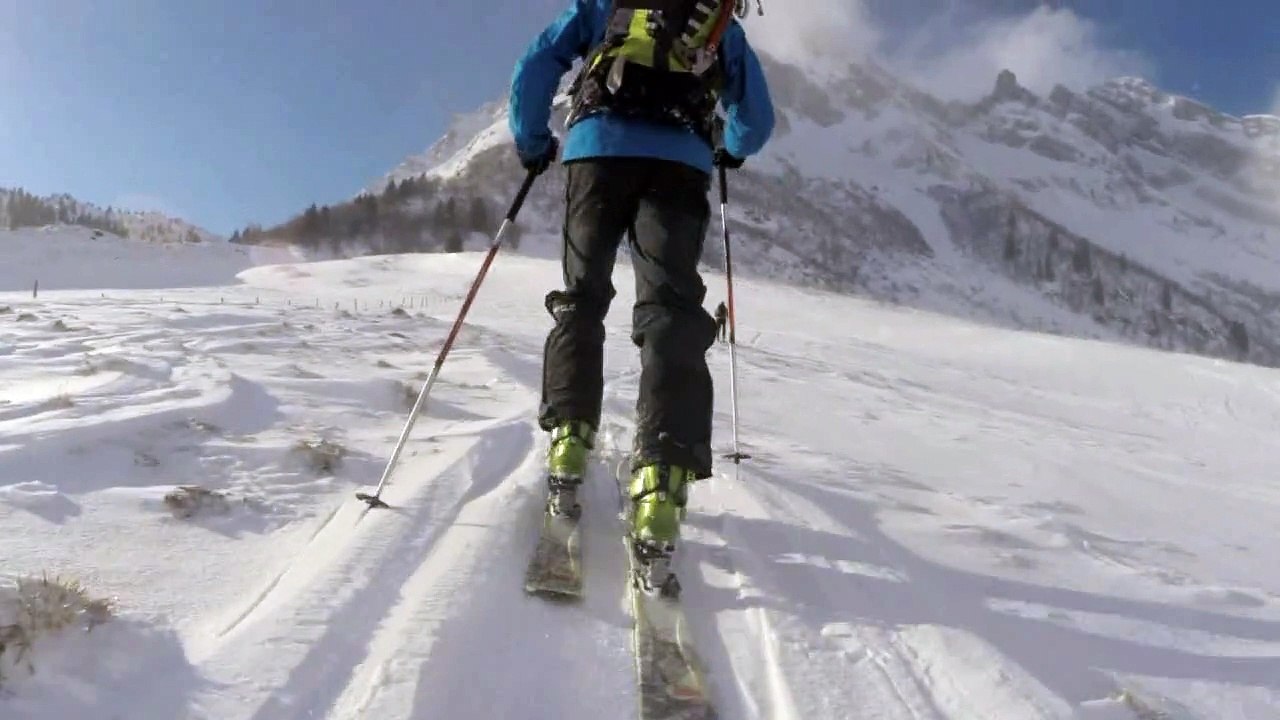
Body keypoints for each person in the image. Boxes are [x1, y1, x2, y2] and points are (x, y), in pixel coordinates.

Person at [509, 0, 774, 595]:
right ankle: (660, 484)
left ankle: (570, 448)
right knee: (672, 314)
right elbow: (756, 119)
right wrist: (728, 146)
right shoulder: (715, 17)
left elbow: (534, 66)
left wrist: (532, 141)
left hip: (594, 153)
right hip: (679, 165)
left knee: (582, 297)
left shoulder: (602, 4)